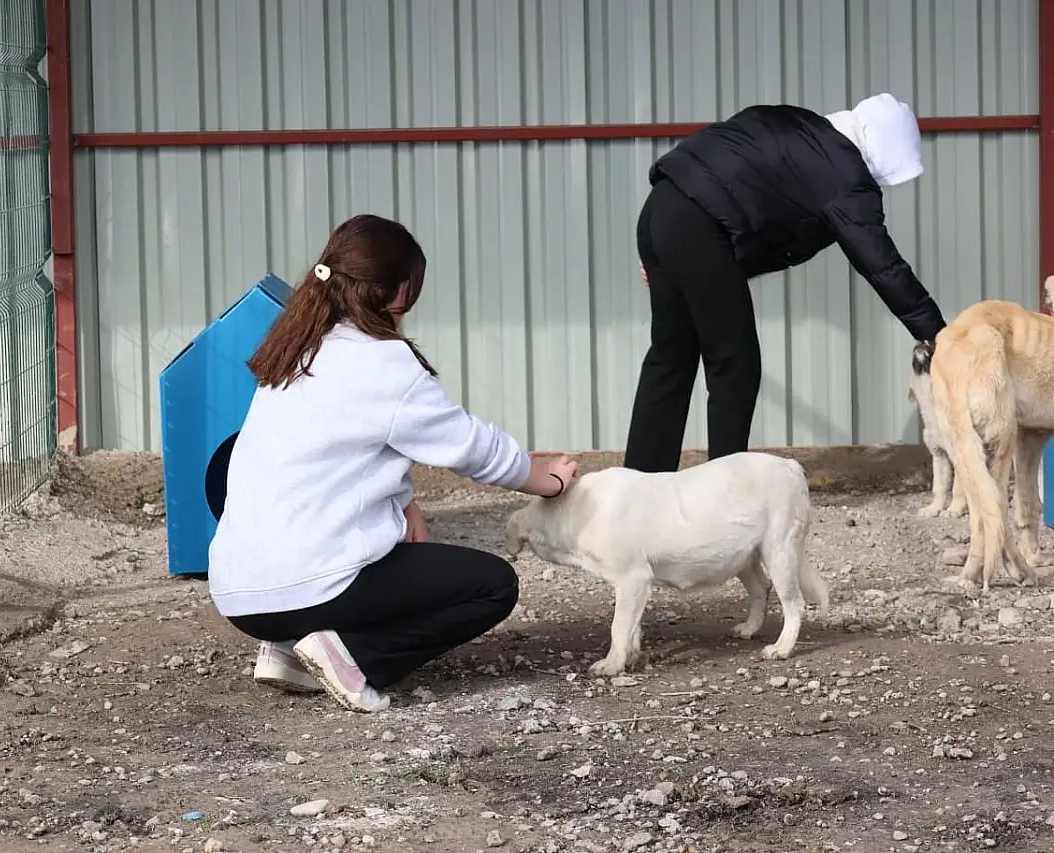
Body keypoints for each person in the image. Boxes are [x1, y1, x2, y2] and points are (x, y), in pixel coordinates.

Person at [207, 213, 580, 714]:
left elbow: (345, 454)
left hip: (241, 596)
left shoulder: (296, 349)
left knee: (377, 556)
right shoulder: (381, 360)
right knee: (492, 586)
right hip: (307, 584)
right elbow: (470, 447)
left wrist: (406, 504)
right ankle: (354, 658)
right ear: (398, 291)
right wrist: (547, 481)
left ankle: (287, 649)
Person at [623, 92, 948, 473]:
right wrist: (939, 335)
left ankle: (639, 486)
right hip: (695, 227)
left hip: (660, 209)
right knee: (735, 364)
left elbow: (747, 214)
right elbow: (882, 265)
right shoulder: (843, 171)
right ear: (880, 151)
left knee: (670, 357)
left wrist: (675, 258)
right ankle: (726, 490)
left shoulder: (800, 130)